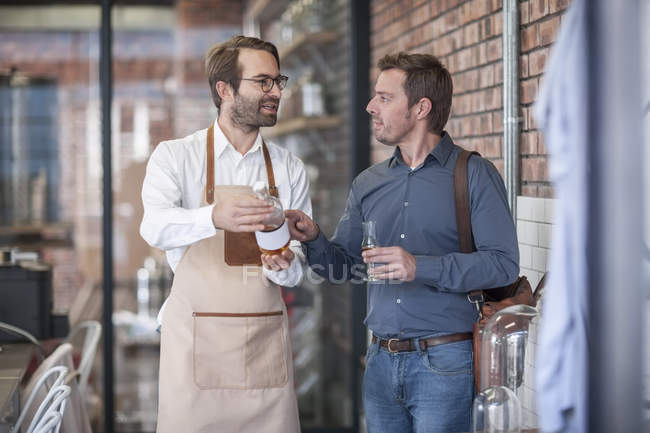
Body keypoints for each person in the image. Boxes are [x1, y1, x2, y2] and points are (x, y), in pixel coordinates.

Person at [285, 52, 519, 433]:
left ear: (421, 107)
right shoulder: (368, 183)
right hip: (379, 362)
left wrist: (419, 265)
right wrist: (314, 239)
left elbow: (503, 264)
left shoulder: (473, 174)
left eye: (384, 97)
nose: (370, 106)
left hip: (446, 364)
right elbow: (342, 267)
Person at [140, 36, 311, 433]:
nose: (276, 92)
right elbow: (154, 226)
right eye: (263, 82)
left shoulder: (289, 168)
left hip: (263, 344)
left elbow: (298, 265)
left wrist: (284, 264)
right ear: (225, 89)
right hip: (195, 344)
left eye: (278, 81)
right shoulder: (175, 156)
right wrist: (213, 216)